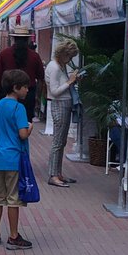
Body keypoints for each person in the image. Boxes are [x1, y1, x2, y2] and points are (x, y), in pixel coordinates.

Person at [0, 69, 34, 250]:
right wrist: (30, 127)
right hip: (14, 157)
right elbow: (23, 134)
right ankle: (14, 235)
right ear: (16, 88)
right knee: (13, 199)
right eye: (25, 87)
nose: (27, 91)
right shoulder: (19, 108)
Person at [45, 39, 81, 188]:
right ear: (63, 54)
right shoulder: (54, 67)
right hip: (59, 104)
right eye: (69, 56)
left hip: (64, 104)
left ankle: (57, 173)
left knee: (61, 141)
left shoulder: (59, 66)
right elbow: (54, 91)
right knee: (58, 142)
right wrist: (70, 81)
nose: (70, 60)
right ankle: (53, 174)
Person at [0, 26, 46, 123]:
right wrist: (37, 97)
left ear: (14, 39)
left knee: (7, 122)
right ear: (28, 40)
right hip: (27, 96)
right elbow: (41, 79)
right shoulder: (34, 56)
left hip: (7, 94)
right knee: (25, 123)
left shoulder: (4, 54)